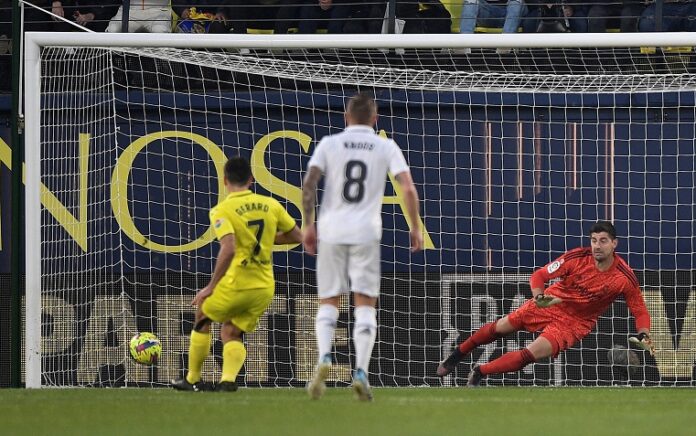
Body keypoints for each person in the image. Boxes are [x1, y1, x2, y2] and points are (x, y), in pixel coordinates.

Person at [302, 93, 423, 401]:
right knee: (365, 302)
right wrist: (415, 226)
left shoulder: (329, 143)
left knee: (329, 299)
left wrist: (307, 224)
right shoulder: (386, 146)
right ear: (374, 118)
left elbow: (309, 183)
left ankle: (324, 359)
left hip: (331, 229)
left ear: (346, 116)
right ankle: (361, 372)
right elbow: (407, 186)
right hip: (366, 231)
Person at [437, 220, 655, 386]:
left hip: (575, 323)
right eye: (594, 240)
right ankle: (458, 354)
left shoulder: (624, 277)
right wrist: (540, 297)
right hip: (551, 302)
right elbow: (539, 276)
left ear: (614, 243)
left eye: (603, 241)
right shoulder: (577, 257)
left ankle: (480, 371)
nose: (597, 246)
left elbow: (639, 309)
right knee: (500, 328)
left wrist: (644, 333)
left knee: (529, 355)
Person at [171, 156, 302, 392]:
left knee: (203, 313)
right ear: (251, 180)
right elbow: (297, 236)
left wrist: (210, 287)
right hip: (263, 287)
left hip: (238, 282)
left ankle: (191, 379)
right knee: (231, 331)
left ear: (224, 181)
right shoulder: (271, 205)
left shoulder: (222, 209)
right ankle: (228, 381)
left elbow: (229, 247)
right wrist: (260, 241)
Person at [460, 0, 528, 34]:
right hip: (487, 12)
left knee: (516, 2)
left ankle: (506, 45)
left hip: (512, 14)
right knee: (471, 1)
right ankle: (463, 44)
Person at [106, 0, 172, 33]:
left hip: (157, 10)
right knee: (113, 29)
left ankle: (159, 58)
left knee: (159, 29)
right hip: (129, 10)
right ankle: (115, 57)